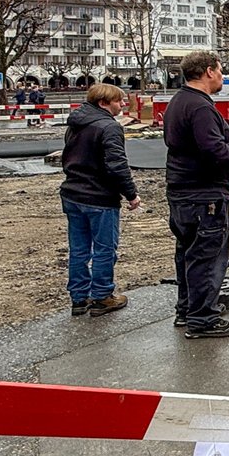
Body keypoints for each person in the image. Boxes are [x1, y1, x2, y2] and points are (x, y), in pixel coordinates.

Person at [163, 50, 229, 338]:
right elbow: (213, 150)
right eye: (221, 70)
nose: (223, 76)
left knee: (187, 253)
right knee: (207, 258)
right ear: (209, 71)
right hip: (204, 196)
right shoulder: (200, 107)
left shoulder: (179, 102)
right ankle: (203, 319)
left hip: (183, 192)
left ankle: (187, 311)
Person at [59, 84, 140, 317]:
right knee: (105, 250)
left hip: (73, 193)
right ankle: (102, 297)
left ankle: (79, 298)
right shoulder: (109, 127)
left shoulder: (76, 124)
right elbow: (117, 165)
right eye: (118, 101)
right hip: (99, 197)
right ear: (104, 103)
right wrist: (131, 194)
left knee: (79, 250)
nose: (123, 104)